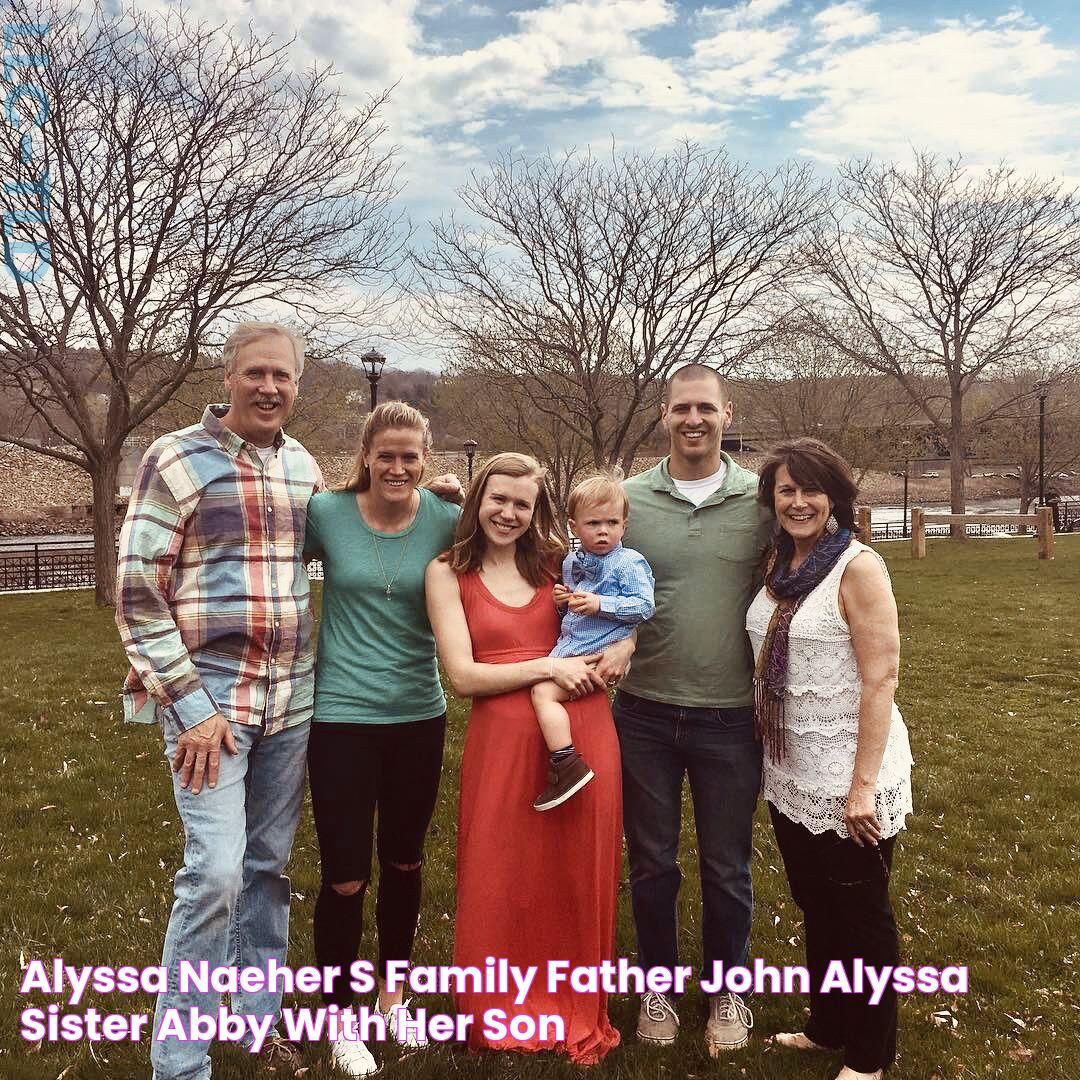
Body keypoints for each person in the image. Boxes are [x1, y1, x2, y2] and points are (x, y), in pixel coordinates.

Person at [116, 322, 321, 1078]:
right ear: (228, 377)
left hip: (290, 703)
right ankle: (180, 1059)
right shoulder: (174, 458)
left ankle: (257, 1021)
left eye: (284, 376)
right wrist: (191, 707)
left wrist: (429, 501)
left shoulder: (302, 465)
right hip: (211, 708)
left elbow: (350, 536)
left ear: (298, 385)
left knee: (268, 865)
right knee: (216, 873)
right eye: (256, 373)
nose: (270, 388)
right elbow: (138, 595)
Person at [425, 453, 625, 1065]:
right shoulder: (446, 572)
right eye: (498, 499)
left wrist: (628, 645)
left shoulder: (562, 562)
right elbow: (462, 676)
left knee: (575, 869)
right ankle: (498, 1003)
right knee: (502, 871)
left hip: (583, 727)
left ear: (538, 510)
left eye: (523, 503)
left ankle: (572, 1000)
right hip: (503, 744)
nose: (508, 513)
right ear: (477, 500)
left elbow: (627, 600)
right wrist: (547, 666)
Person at [610, 363, 772, 1055]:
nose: (694, 420)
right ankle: (657, 985)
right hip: (642, 709)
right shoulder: (628, 499)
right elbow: (571, 565)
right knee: (651, 861)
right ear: (664, 415)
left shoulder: (760, 500)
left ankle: (727, 987)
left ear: (727, 414)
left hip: (731, 713)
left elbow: (821, 547)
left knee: (727, 864)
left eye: (706, 408)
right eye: (682, 409)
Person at [303, 401, 462, 1078]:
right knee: (345, 876)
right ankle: (341, 1019)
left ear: (426, 459)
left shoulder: (447, 520)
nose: (398, 467)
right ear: (366, 455)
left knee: (404, 864)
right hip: (339, 719)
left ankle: (393, 993)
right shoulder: (325, 515)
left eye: (411, 456)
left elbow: (526, 546)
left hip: (417, 717)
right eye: (385, 455)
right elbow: (255, 554)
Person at [746, 437, 912, 1080]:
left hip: (850, 770)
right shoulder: (779, 564)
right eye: (785, 490)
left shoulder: (858, 567)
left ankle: (870, 1054)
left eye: (811, 490)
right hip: (791, 767)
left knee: (861, 915)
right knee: (817, 902)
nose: (798, 502)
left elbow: (882, 677)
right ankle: (829, 1024)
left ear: (836, 497)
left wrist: (862, 786)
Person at [530, 474, 655, 811]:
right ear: (574, 526)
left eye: (612, 523)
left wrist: (603, 605)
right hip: (573, 642)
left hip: (597, 649)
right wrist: (562, 599)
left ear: (624, 525)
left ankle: (566, 762)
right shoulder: (572, 562)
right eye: (594, 523)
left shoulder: (628, 563)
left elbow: (644, 606)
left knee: (541, 692)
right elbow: (574, 608)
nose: (604, 531)